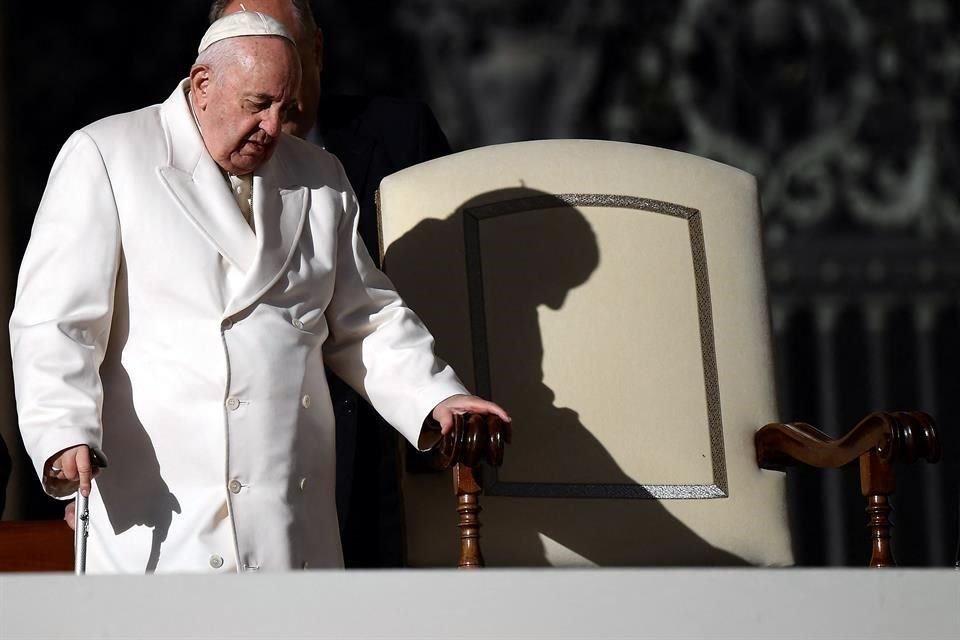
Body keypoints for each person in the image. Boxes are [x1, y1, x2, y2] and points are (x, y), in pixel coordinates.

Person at [10, 11, 508, 573]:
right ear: (202, 85)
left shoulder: (321, 177)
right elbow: (56, 320)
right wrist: (62, 431)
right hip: (163, 513)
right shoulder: (107, 153)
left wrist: (436, 397)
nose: (274, 127)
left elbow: (367, 321)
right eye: (257, 104)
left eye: (286, 108)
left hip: (288, 521)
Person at [208, 0, 454, 567]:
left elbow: (388, 308)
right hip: (232, 472)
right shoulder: (140, 157)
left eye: (283, 50)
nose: (271, 115)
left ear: (314, 52)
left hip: (374, 455)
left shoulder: (395, 136)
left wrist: (438, 398)